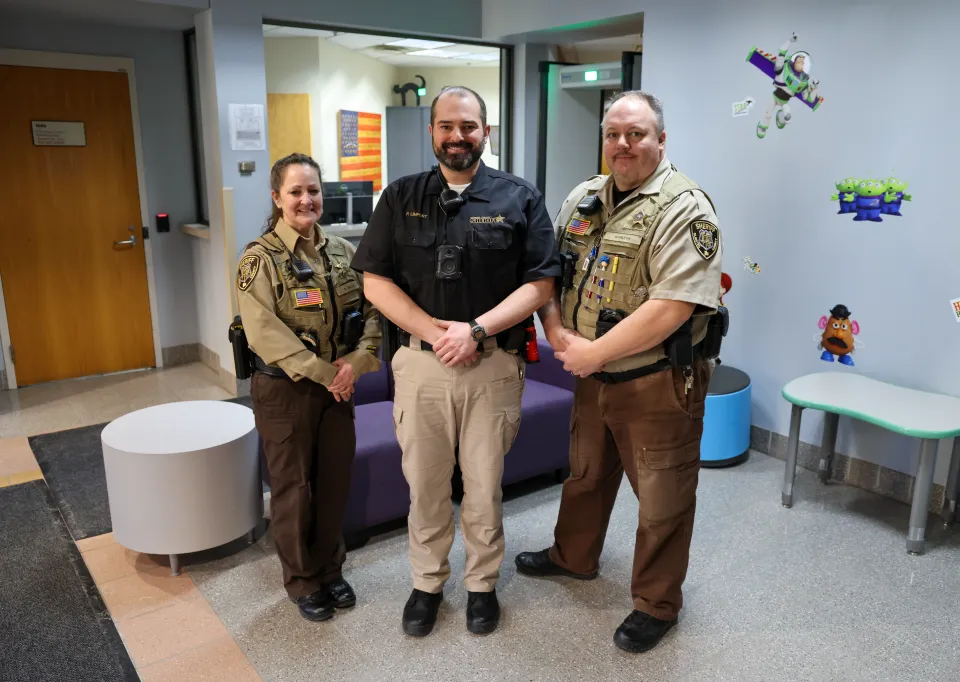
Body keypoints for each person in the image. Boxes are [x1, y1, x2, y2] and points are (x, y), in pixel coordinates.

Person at [515, 90, 725, 654]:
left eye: (636, 134)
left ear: (661, 139)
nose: (623, 144)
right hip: (590, 374)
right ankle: (573, 556)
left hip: (656, 382)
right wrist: (555, 330)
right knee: (585, 474)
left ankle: (656, 603)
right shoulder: (584, 197)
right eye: (613, 134)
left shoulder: (686, 209)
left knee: (661, 498)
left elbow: (672, 307)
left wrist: (595, 352)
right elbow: (550, 272)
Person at [351, 86, 560, 637]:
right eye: (446, 126)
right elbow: (375, 281)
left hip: (492, 365)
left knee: (485, 487)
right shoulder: (400, 196)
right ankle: (427, 583)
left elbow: (540, 283)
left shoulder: (519, 197)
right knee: (425, 485)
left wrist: (475, 331)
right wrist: (435, 334)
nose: (457, 136)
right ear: (432, 132)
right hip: (420, 366)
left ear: (485, 132)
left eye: (468, 126)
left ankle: (482, 585)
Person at [236, 152, 382, 622]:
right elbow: (263, 332)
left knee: (333, 482)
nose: (306, 199)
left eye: (313, 190)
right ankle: (302, 579)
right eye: (295, 191)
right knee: (294, 489)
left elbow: (373, 313)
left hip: (338, 388)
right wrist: (329, 374)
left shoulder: (341, 251)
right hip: (287, 391)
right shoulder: (260, 259)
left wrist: (357, 362)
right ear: (277, 198)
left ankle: (329, 568)